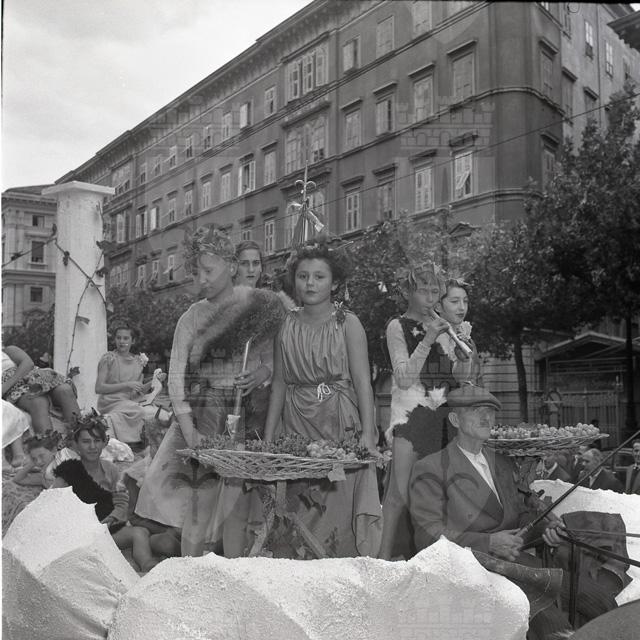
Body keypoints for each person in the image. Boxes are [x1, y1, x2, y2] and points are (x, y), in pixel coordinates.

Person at [408, 385, 608, 639]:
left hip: (517, 564)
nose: (486, 417)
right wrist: (489, 542)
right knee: (553, 626)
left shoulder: (502, 463)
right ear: (455, 420)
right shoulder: (431, 467)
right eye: (476, 411)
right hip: (471, 571)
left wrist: (546, 530)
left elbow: (520, 516)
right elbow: (427, 536)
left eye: (490, 411)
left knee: (602, 602)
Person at [135, 225, 286, 557]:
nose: (201, 279)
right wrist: (189, 430)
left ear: (230, 267)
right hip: (206, 416)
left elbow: (274, 359)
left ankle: (231, 572)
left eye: (208, 270)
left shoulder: (258, 307)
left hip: (247, 413)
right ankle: (191, 571)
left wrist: (261, 372)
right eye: (196, 272)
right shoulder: (191, 317)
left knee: (236, 505)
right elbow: (176, 377)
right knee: (198, 504)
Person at [263, 239, 382, 558]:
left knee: (338, 504)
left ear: (334, 283)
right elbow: (278, 384)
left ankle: (341, 570)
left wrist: (368, 435)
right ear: (294, 281)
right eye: (303, 276)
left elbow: (363, 383)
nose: (310, 283)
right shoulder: (284, 325)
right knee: (300, 504)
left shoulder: (348, 323)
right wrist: (270, 439)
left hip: (340, 422)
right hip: (297, 425)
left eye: (319, 276)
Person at [379, 267, 472, 560]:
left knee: (439, 496)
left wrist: (463, 353)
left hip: (443, 419)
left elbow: (458, 379)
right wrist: (428, 338)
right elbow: (404, 378)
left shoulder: (445, 327)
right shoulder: (397, 326)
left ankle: (435, 561)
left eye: (435, 292)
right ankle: (382, 561)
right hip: (409, 418)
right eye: (423, 291)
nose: (430, 298)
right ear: (407, 292)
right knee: (398, 494)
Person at [52, 414, 160, 573]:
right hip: (81, 532)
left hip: (107, 528)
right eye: (86, 442)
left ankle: (147, 566)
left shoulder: (111, 469)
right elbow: (54, 504)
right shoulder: (68, 471)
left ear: (104, 442)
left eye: (97, 441)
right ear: (75, 444)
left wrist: (111, 519)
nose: (92, 447)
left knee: (140, 532)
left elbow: (122, 501)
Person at [95, 323, 165, 444]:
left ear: (133, 341)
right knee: (140, 411)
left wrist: (154, 381)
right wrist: (126, 385)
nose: (121, 341)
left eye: (126, 338)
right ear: (115, 339)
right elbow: (99, 388)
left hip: (129, 401)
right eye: (118, 338)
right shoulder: (108, 358)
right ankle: (132, 442)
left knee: (159, 412)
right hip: (109, 402)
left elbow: (138, 391)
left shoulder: (137, 362)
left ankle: (141, 442)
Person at [2, 346, 80, 434]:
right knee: (38, 402)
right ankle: (48, 441)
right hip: (15, 389)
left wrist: (4, 387)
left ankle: (81, 435)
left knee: (65, 390)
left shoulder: (7, 351)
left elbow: (28, 364)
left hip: (36, 377)